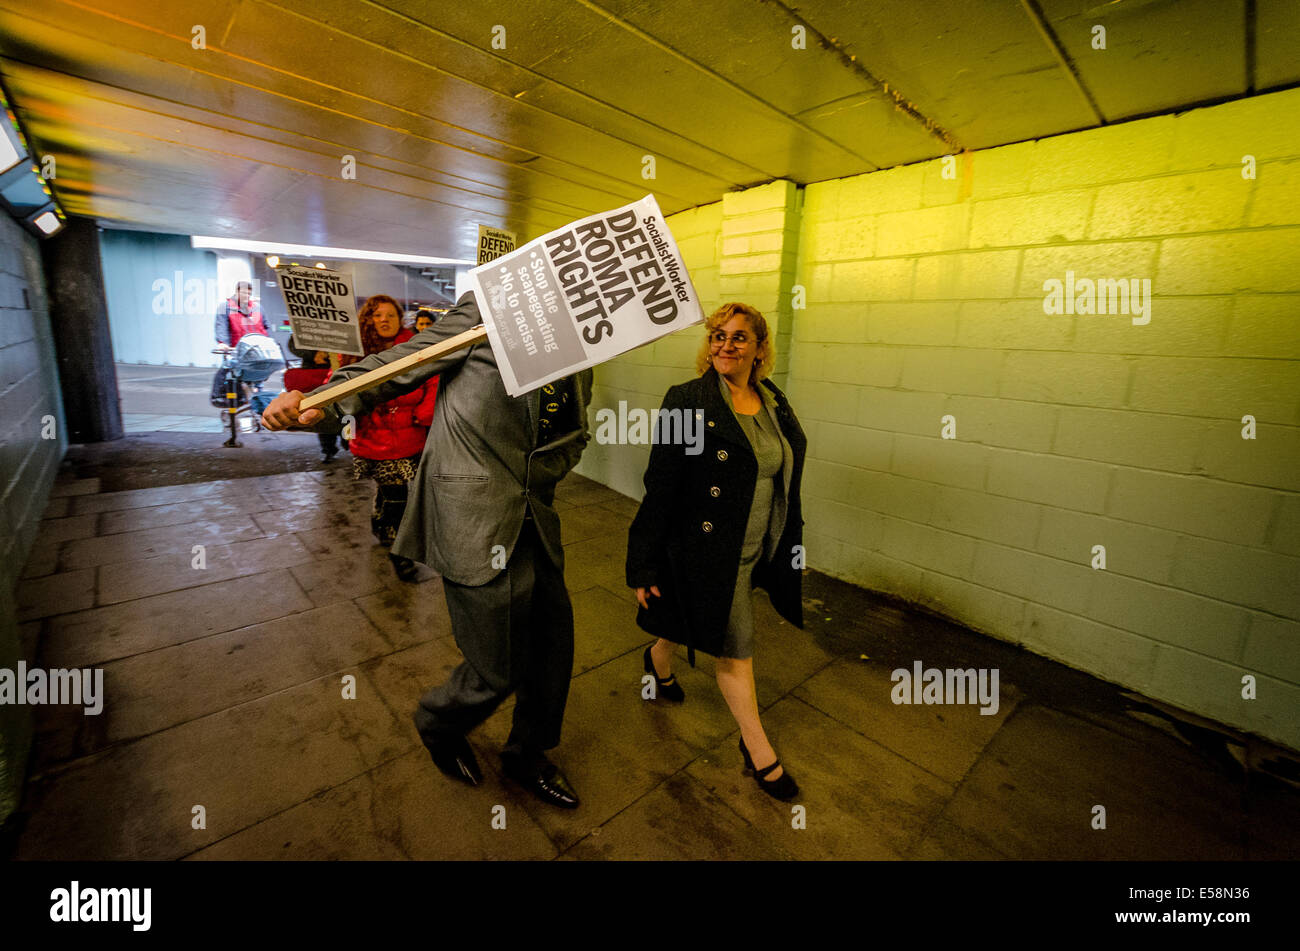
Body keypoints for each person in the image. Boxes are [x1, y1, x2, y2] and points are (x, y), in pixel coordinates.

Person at [261, 292, 593, 809]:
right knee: (496, 663)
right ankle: (440, 723)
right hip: (472, 514)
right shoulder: (488, 309)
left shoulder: (583, 345)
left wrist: (541, 478)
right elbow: (398, 365)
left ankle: (527, 754)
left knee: (553, 647)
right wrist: (319, 403)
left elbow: (577, 433)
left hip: (535, 519)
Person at [626, 302, 807, 801]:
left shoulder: (772, 400)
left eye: (738, 338)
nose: (725, 346)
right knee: (736, 648)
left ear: (759, 349)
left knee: (690, 614)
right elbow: (660, 485)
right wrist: (643, 562)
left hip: (758, 547)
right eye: (717, 336)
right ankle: (759, 752)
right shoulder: (688, 401)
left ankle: (657, 659)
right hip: (707, 548)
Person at [335, 294, 438, 581]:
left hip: (409, 437)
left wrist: (424, 413)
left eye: (390, 315)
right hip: (372, 439)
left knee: (394, 490)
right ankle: (400, 551)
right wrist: (346, 430)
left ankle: (380, 521)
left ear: (400, 318)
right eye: (378, 315)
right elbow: (338, 394)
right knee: (398, 496)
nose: (384, 320)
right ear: (368, 319)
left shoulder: (415, 347)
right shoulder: (354, 353)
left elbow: (432, 380)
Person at [214, 281, 268, 348]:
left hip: (259, 351)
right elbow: (221, 327)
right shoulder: (225, 307)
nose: (247, 296)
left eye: (249, 294)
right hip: (237, 352)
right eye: (244, 293)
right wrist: (223, 343)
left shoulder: (257, 307)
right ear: (237, 292)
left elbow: (266, 327)